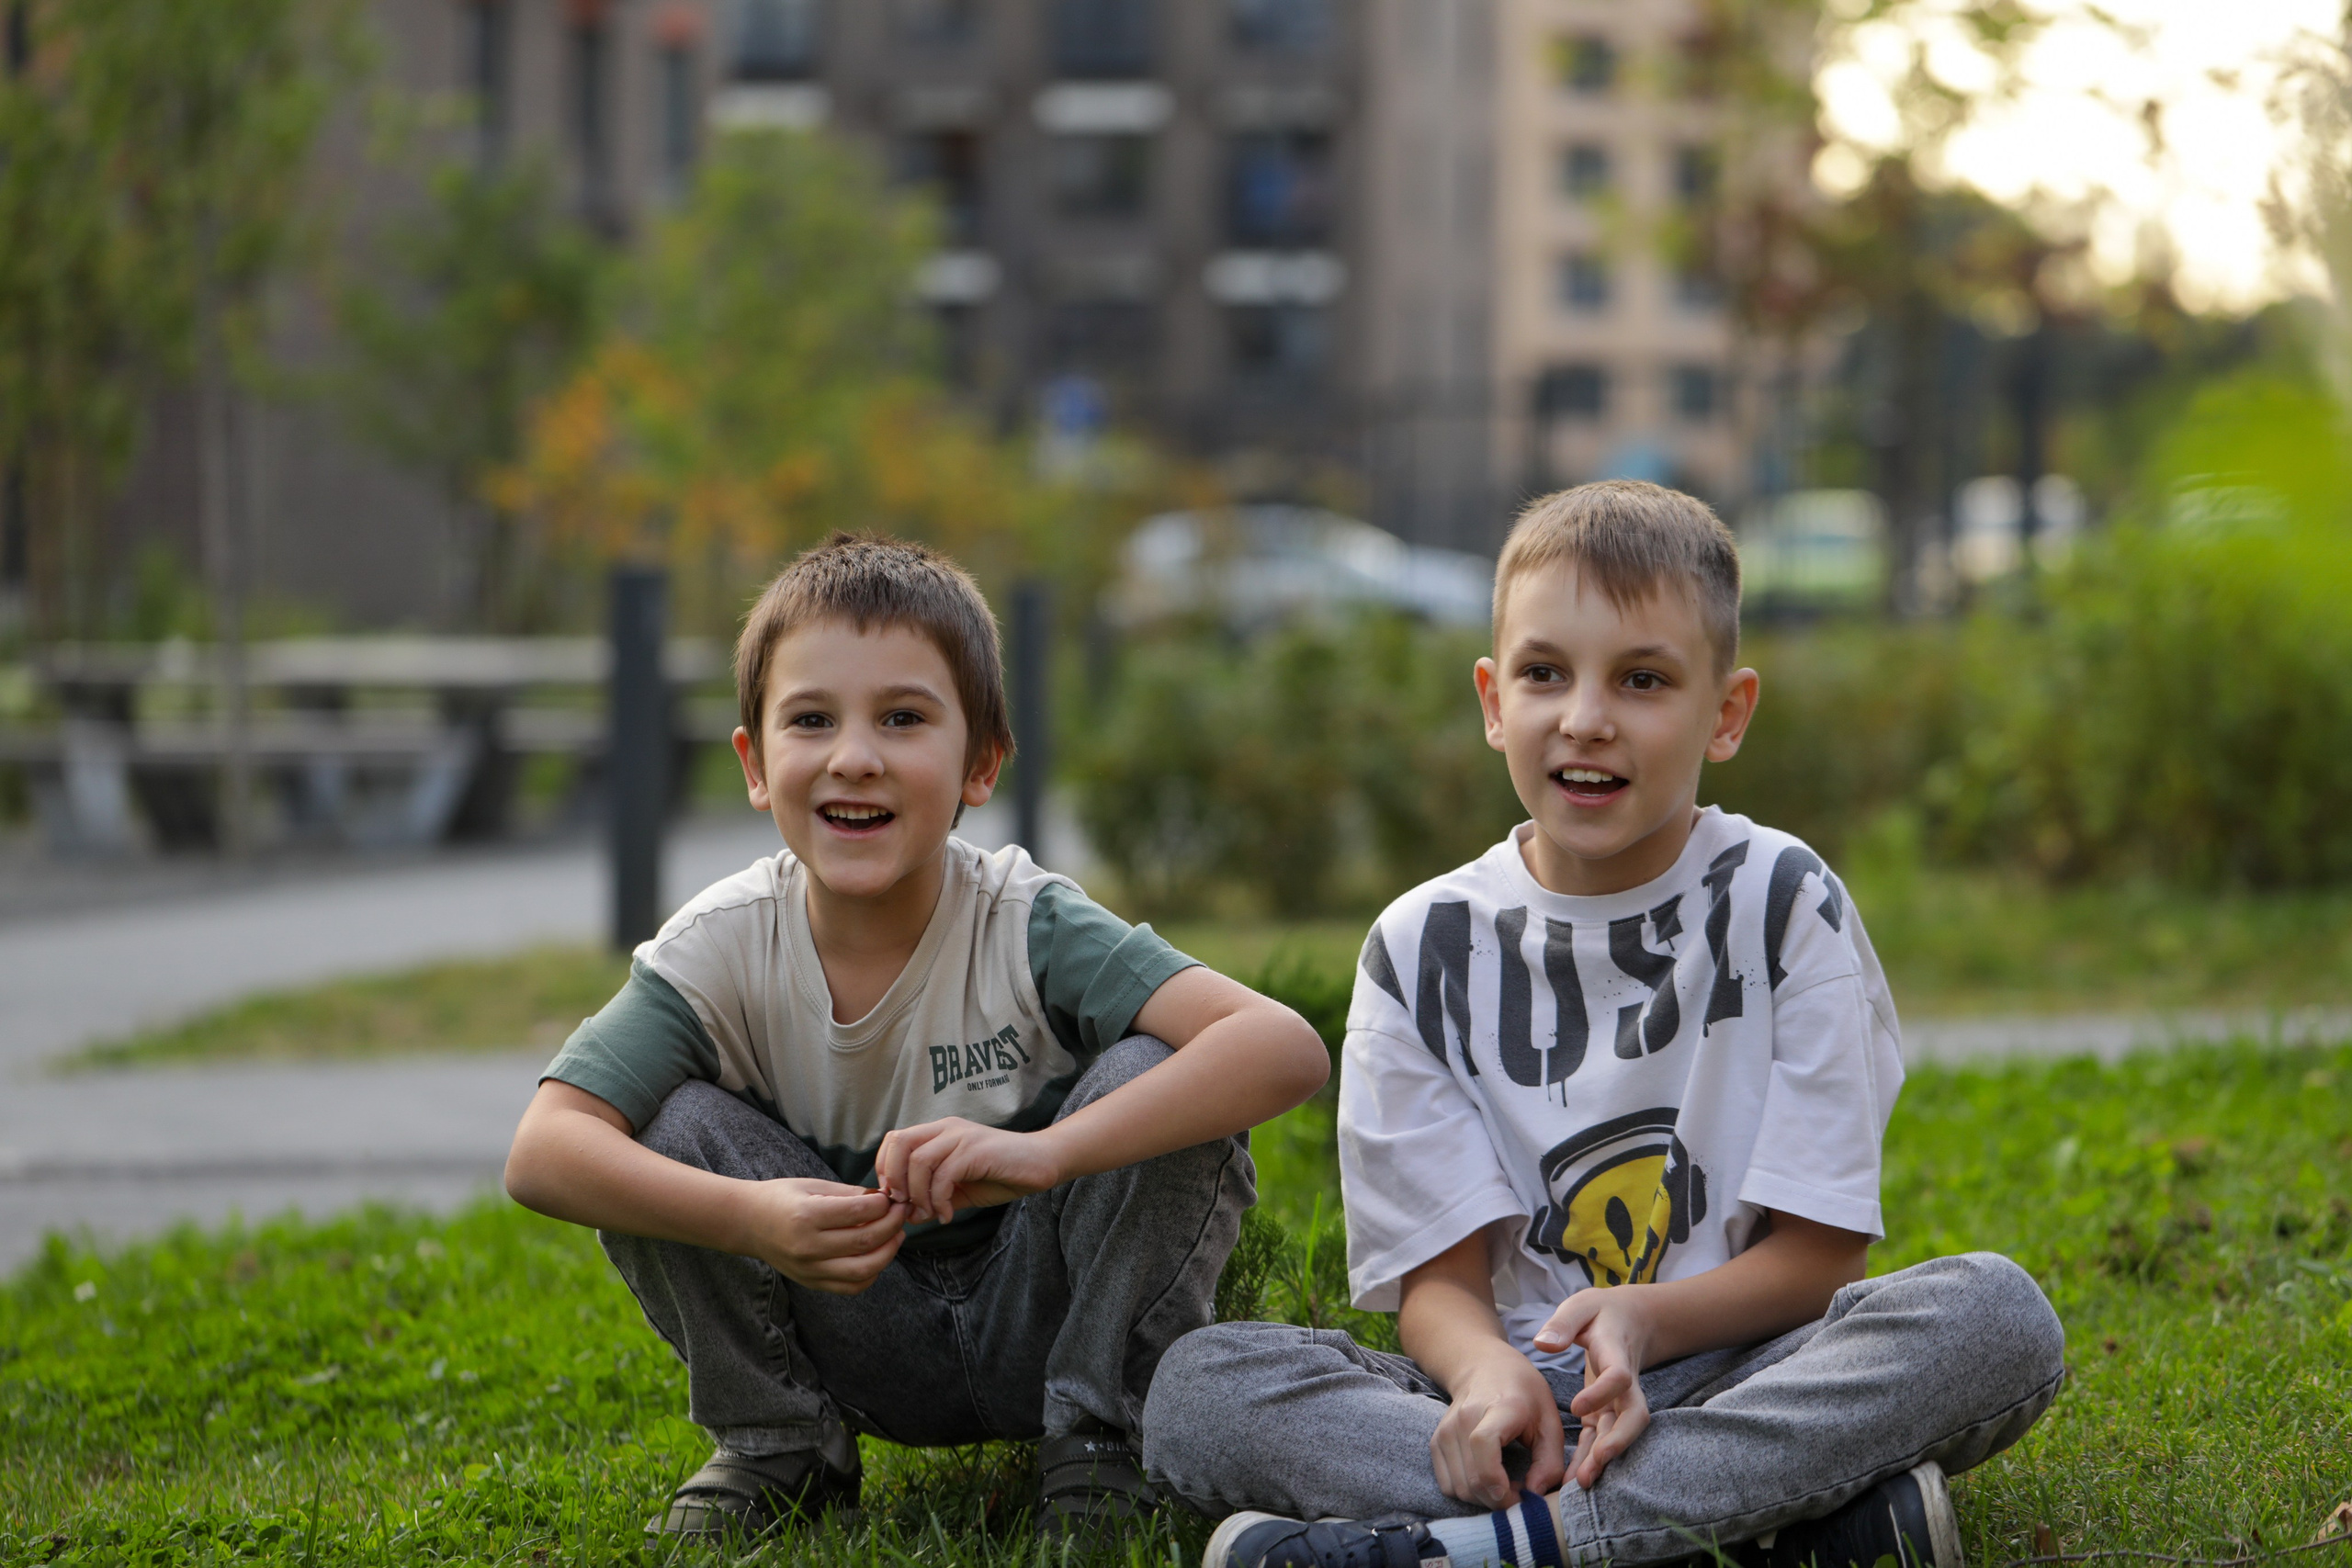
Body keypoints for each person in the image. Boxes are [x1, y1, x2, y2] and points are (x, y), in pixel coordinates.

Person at [1141, 481, 2065, 1568]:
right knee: (1198, 1390)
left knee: (1996, 1317)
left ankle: (1497, 1550)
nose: (1585, 717)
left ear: (1726, 713)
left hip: (1744, 1361)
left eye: (1642, 679)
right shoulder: (1420, 946)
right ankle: (1786, 1530)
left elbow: (1819, 1258)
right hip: (1517, 1388)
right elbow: (1440, 1286)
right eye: (1544, 674)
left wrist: (1641, 1322)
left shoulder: (1782, 902)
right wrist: (1490, 1381)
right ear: (1492, 701)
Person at [503, 534, 1329, 1543]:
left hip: (1048, 1309)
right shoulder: (718, 948)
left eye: (902, 717)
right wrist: (748, 1218)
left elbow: (1281, 1045)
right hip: (850, 1315)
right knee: (664, 1126)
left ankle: (1100, 1434)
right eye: (811, 720)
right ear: (755, 765)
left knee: (1154, 1071)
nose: (855, 755)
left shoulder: (1027, 922)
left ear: (979, 762)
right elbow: (544, 1151)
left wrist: (1044, 1153)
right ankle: (782, 1443)